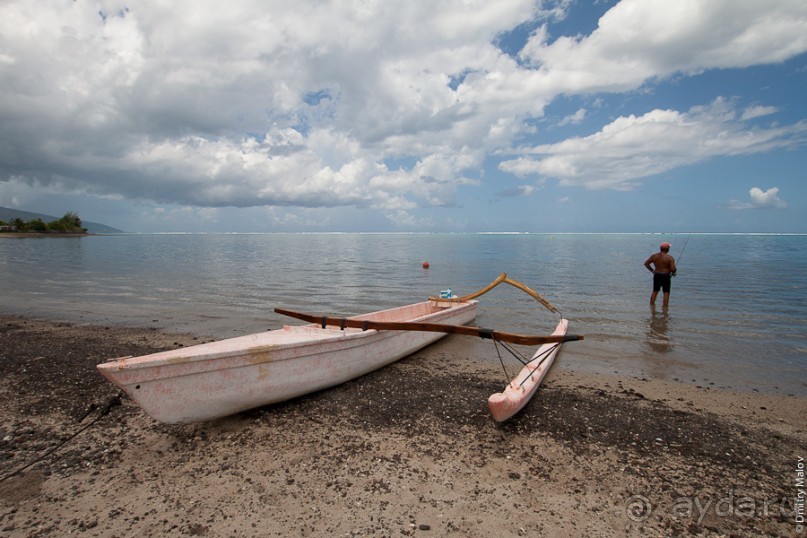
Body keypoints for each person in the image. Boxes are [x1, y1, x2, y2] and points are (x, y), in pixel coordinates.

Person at [644, 242, 677, 308]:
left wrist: (653, 271)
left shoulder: (654, 256)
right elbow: (673, 269)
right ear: (667, 249)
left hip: (657, 275)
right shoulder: (670, 258)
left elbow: (646, 263)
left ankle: (651, 306)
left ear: (660, 248)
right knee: (666, 292)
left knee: (655, 291)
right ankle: (665, 308)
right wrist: (674, 272)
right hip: (665, 276)